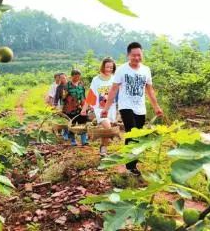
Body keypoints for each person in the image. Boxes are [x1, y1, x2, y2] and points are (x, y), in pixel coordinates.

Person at [101, 42, 163, 175]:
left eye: (139, 55)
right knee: (132, 132)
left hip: (140, 107)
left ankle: (132, 163)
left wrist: (156, 107)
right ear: (128, 55)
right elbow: (113, 89)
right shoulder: (122, 70)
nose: (136, 58)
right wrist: (106, 108)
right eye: (133, 55)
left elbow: (150, 90)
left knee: (138, 135)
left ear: (142, 55)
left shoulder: (146, 70)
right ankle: (130, 166)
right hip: (126, 106)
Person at [81, 57, 117, 157]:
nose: (109, 69)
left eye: (111, 67)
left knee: (107, 132)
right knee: (108, 128)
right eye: (107, 67)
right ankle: (103, 148)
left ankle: (103, 149)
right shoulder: (96, 80)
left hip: (112, 108)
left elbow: (119, 92)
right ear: (103, 67)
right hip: (100, 109)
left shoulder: (115, 78)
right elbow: (91, 95)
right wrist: (84, 108)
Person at [54, 70, 88, 146]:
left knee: (83, 123)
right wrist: (61, 108)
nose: (77, 78)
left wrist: (85, 107)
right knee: (71, 124)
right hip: (69, 108)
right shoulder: (67, 86)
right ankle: (73, 140)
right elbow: (63, 98)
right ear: (72, 76)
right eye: (75, 77)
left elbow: (83, 97)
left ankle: (84, 140)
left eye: (79, 77)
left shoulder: (81, 85)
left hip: (80, 107)